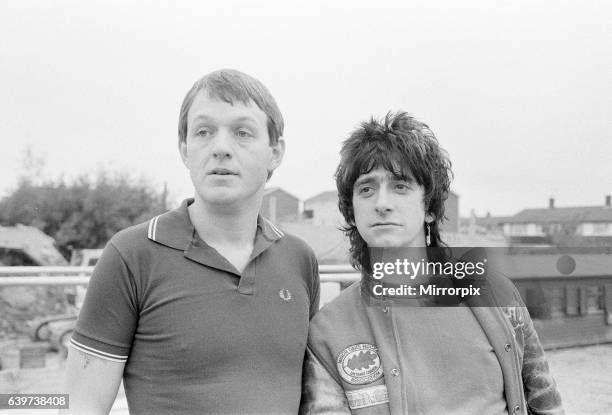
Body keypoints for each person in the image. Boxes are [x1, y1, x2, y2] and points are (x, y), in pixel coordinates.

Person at [63, 69, 320, 414]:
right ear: (185, 149)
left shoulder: (299, 260)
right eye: (204, 132)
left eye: (242, 133)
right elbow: (81, 407)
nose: (221, 148)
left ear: (275, 152)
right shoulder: (131, 256)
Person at [299, 112, 563, 414]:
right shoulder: (328, 331)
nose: (381, 203)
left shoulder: (498, 297)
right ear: (352, 210)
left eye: (400, 186)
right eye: (366, 188)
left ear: (429, 208)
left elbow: (546, 401)